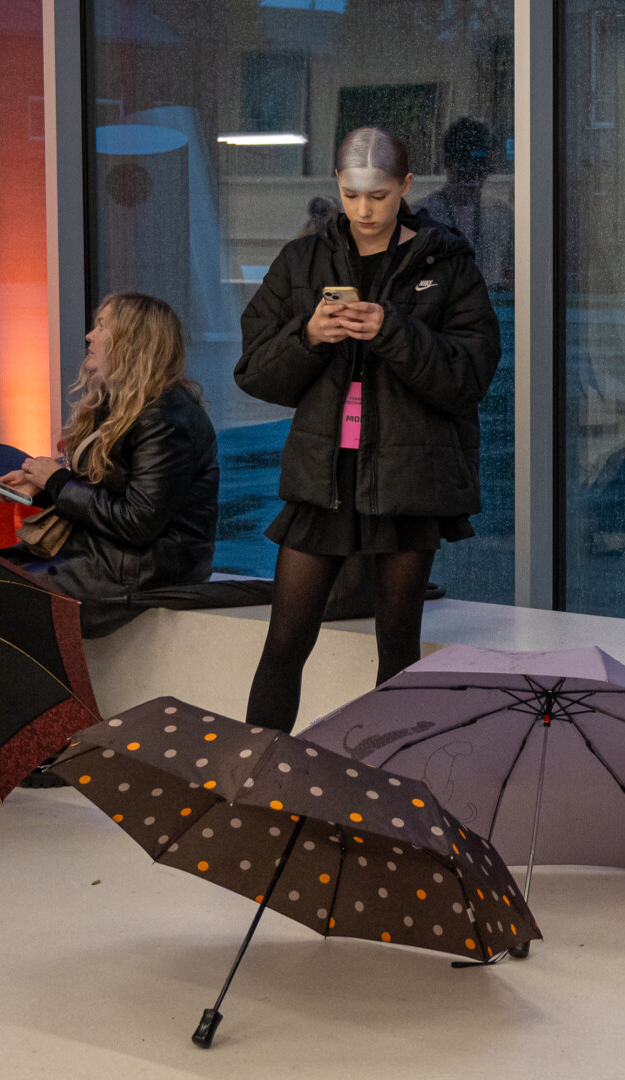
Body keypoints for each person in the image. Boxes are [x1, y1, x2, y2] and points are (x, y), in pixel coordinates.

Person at [235, 125, 501, 733]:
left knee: (398, 648)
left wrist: (391, 330)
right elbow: (253, 371)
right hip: (323, 475)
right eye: (352, 194)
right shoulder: (302, 260)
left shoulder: (448, 262)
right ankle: (252, 773)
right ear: (336, 183)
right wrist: (308, 336)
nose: (364, 210)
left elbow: (469, 377)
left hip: (407, 477)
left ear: (405, 186)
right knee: (285, 641)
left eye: (378, 196)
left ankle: (390, 779)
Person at [0, 292, 219, 637]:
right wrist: (42, 489)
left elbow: (137, 520)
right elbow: (106, 491)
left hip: (140, 571)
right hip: (102, 556)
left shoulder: (165, 419)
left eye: (102, 326)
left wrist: (56, 482)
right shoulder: (122, 405)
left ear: (132, 341)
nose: (90, 335)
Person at [417, 117, 514, 290]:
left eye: (480, 173)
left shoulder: (503, 214)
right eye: (466, 174)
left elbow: (511, 277)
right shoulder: (421, 215)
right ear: (448, 166)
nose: (474, 181)